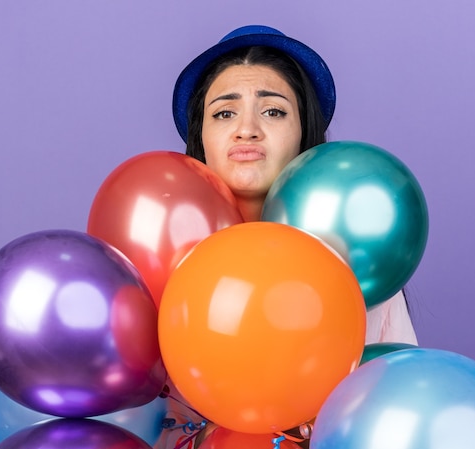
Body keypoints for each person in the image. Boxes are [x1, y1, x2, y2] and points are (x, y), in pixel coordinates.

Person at [155, 25, 417, 449]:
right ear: (200, 137)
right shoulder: (155, 259)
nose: (247, 130)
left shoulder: (363, 269)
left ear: (303, 134)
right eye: (224, 113)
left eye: (273, 111)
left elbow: (403, 413)